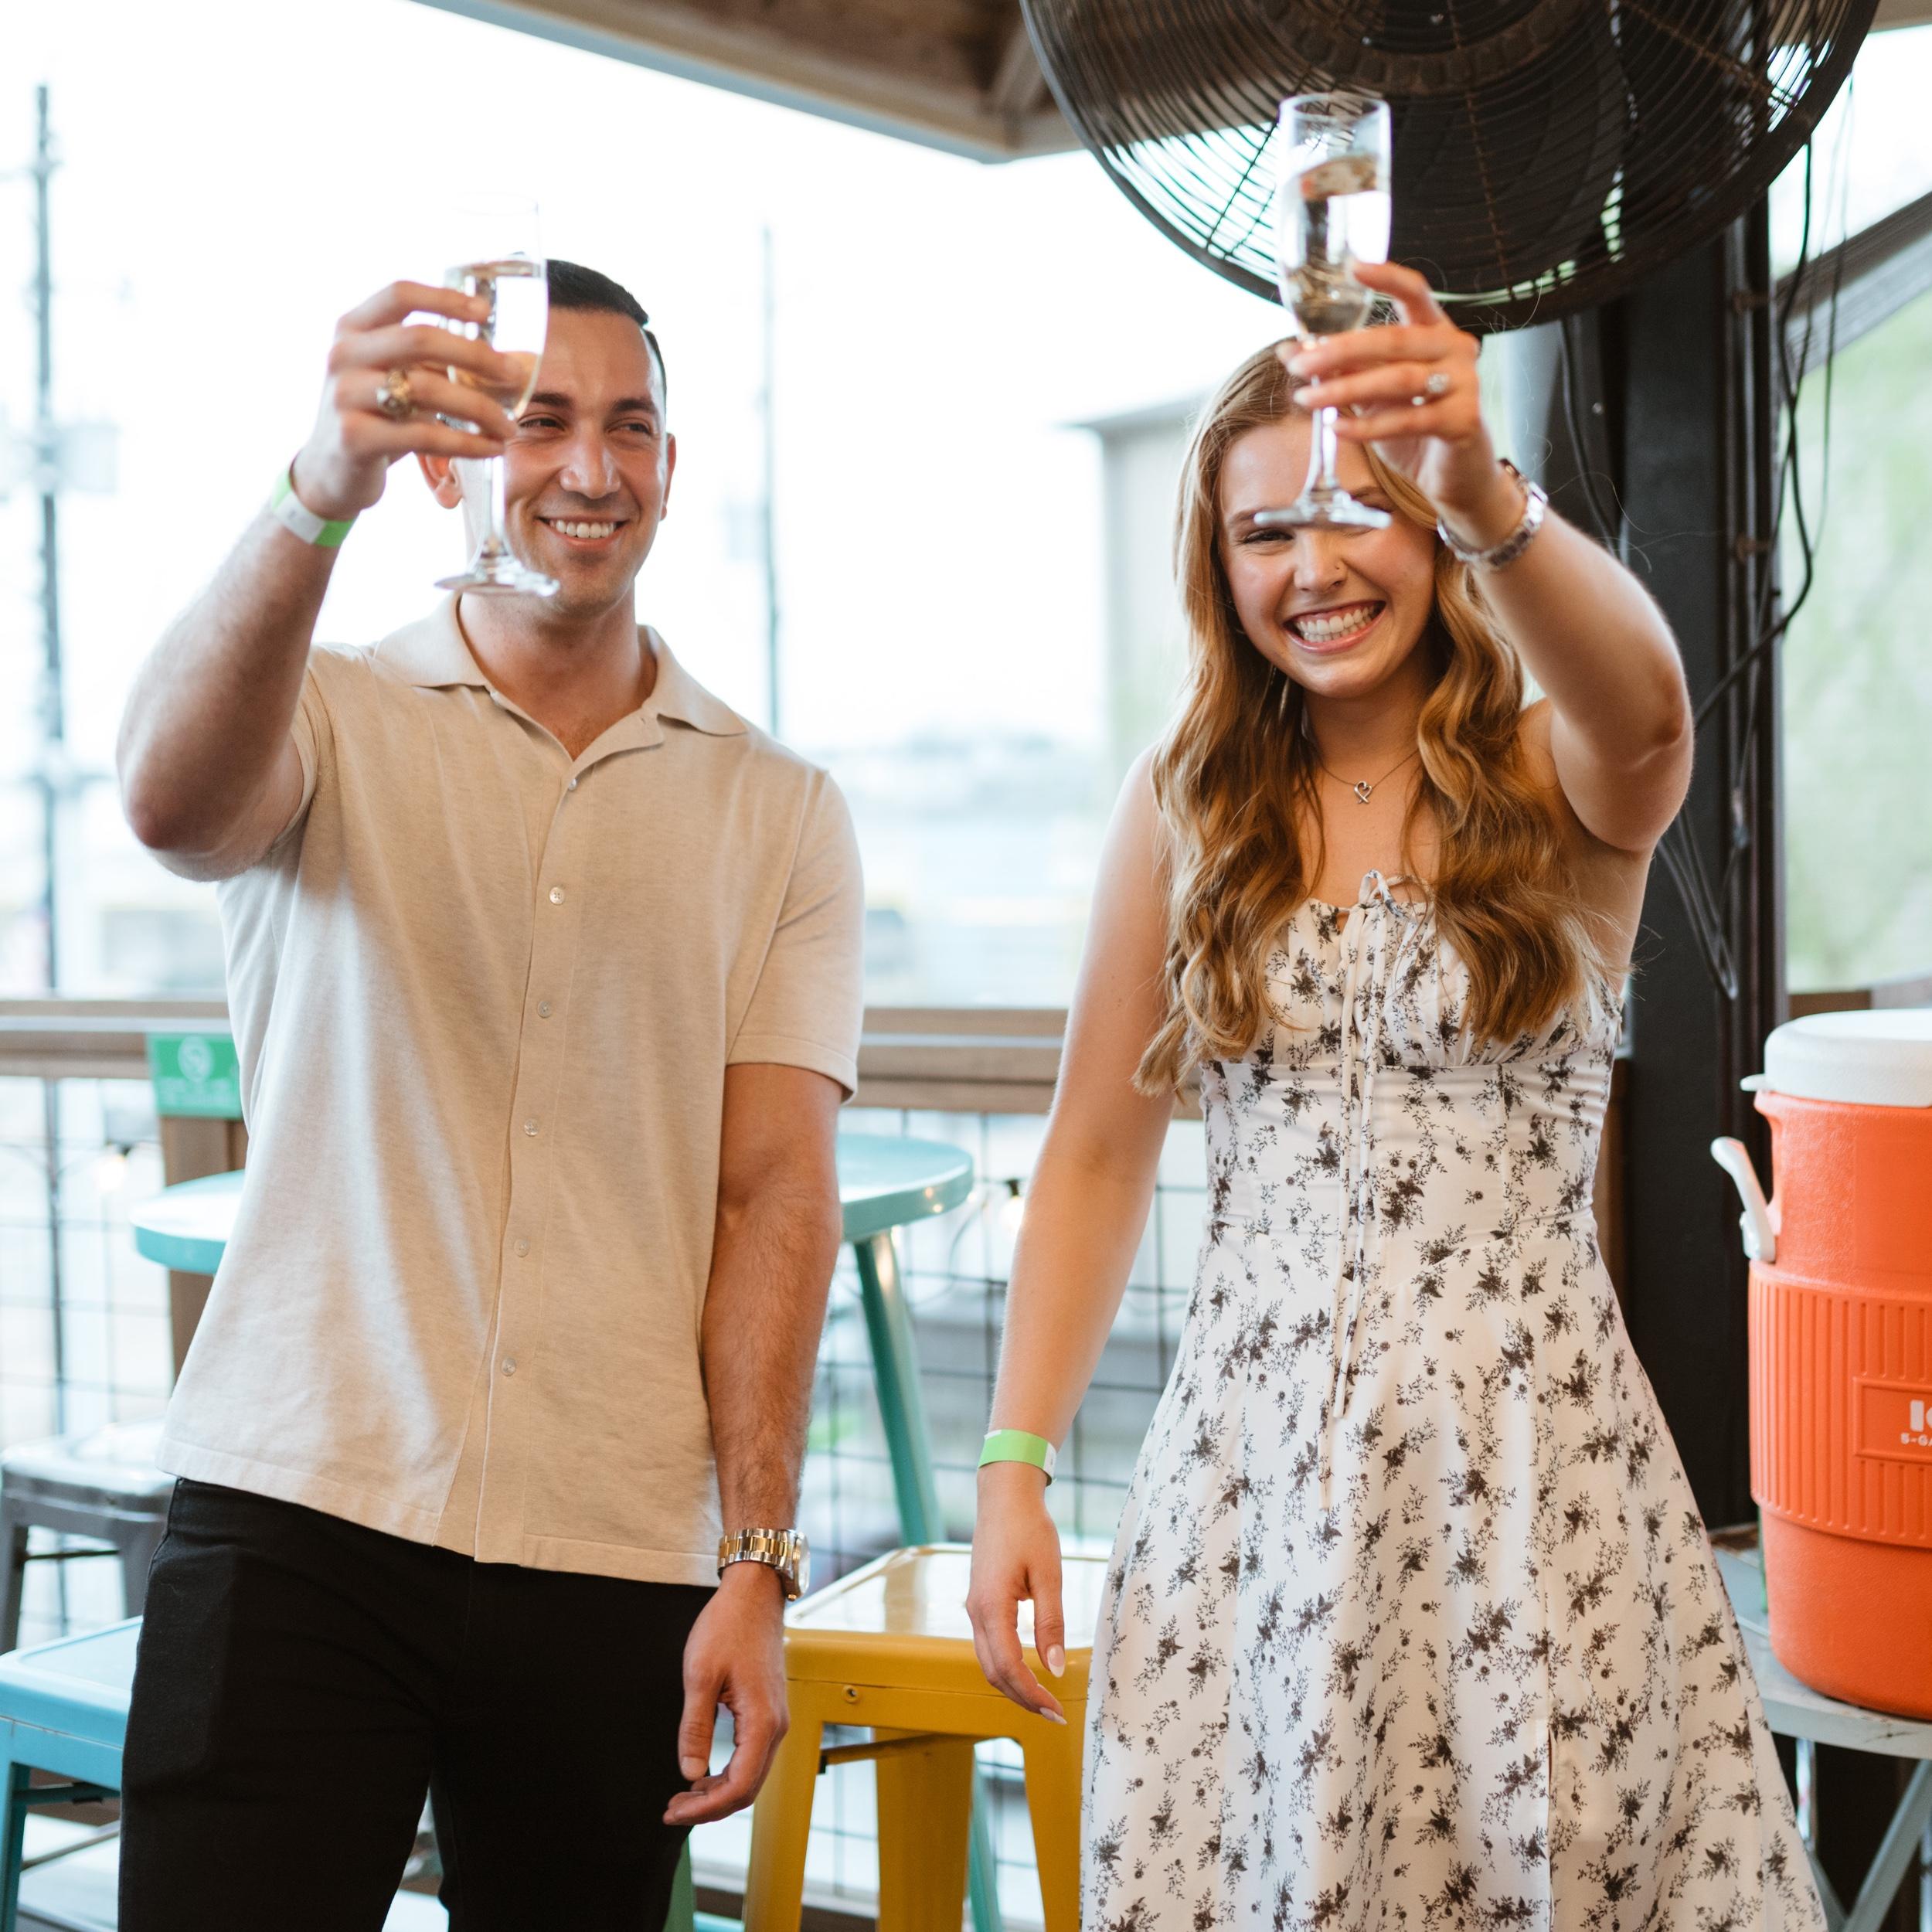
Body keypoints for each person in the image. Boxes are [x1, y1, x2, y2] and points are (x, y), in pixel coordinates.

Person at [966, 262, 1824, 1929]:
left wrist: (1473, 479)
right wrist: (1011, 1461)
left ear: (1432, 531)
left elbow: (1650, 706)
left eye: (1358, 509)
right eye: (1262, 530)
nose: (1314, 563)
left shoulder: (1548, 765)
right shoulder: (1185, 800)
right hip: (1247, 1484)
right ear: (1215, 570)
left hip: (1527, 1478)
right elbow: (1089, 1151)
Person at [113, 260, 862, 1930]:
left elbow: (775, 1198)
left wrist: (759, 1553)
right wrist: (321, 484)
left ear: (670, 465)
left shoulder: (780, 809)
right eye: (541, 419)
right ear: (449, 458)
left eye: (631, 427)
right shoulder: (321, 710)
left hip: (616, 1549)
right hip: (302, 1503)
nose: (589, 468)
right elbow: (167, 804)